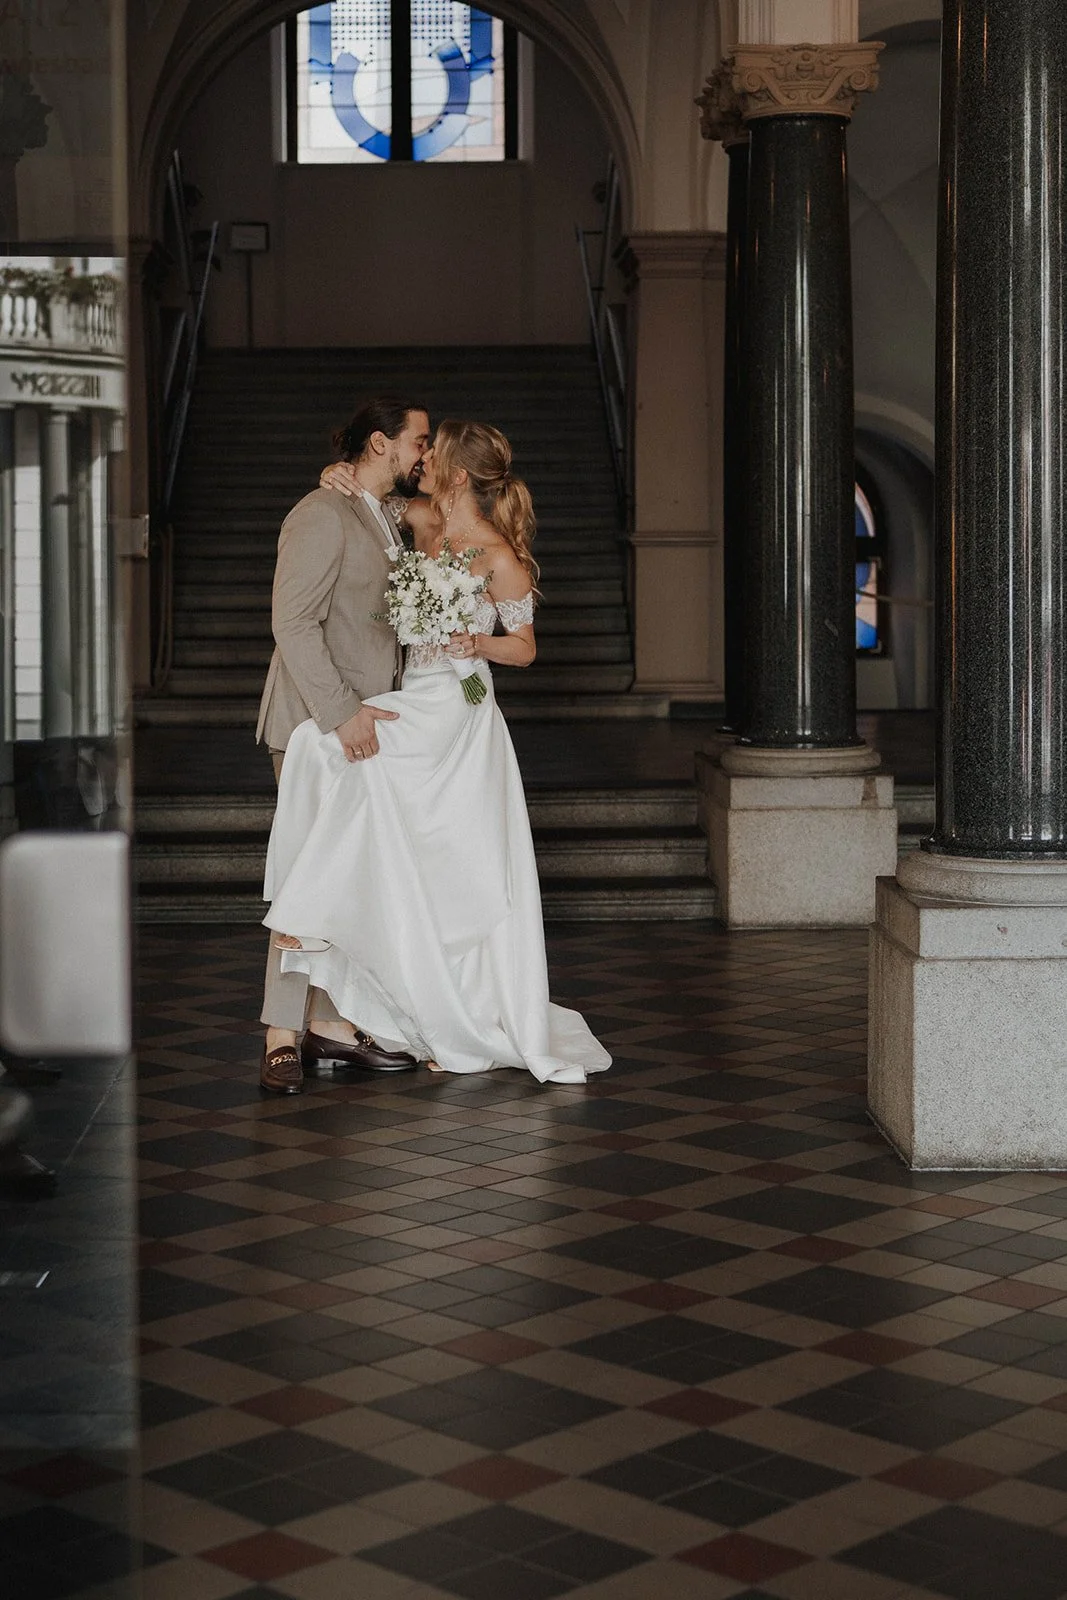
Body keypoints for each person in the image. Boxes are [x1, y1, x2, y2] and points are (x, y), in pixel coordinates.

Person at [262, 420, 611, 1085]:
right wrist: (332, 477)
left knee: (421, 831)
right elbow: (363, 502)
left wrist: (475, 645)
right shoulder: (414, 517)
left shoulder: (499, 555)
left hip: (457, 708)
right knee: (327, 757)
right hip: (408, 694)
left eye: (433, 450)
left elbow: (525, 648)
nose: (421, 457)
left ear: (455, 473)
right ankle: (320, 936)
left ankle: (329, 943)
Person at [256, 396, 431, 1095]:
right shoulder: (320, 512)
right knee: (306, 879)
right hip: (314, 727)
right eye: (419, 441)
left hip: (363, 724)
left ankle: (328, 1027)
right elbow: (292, 623)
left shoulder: (382, 514)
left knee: (340, 881)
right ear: (383, 442)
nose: (425, 453)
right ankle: (278, 1034)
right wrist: (340, 714)